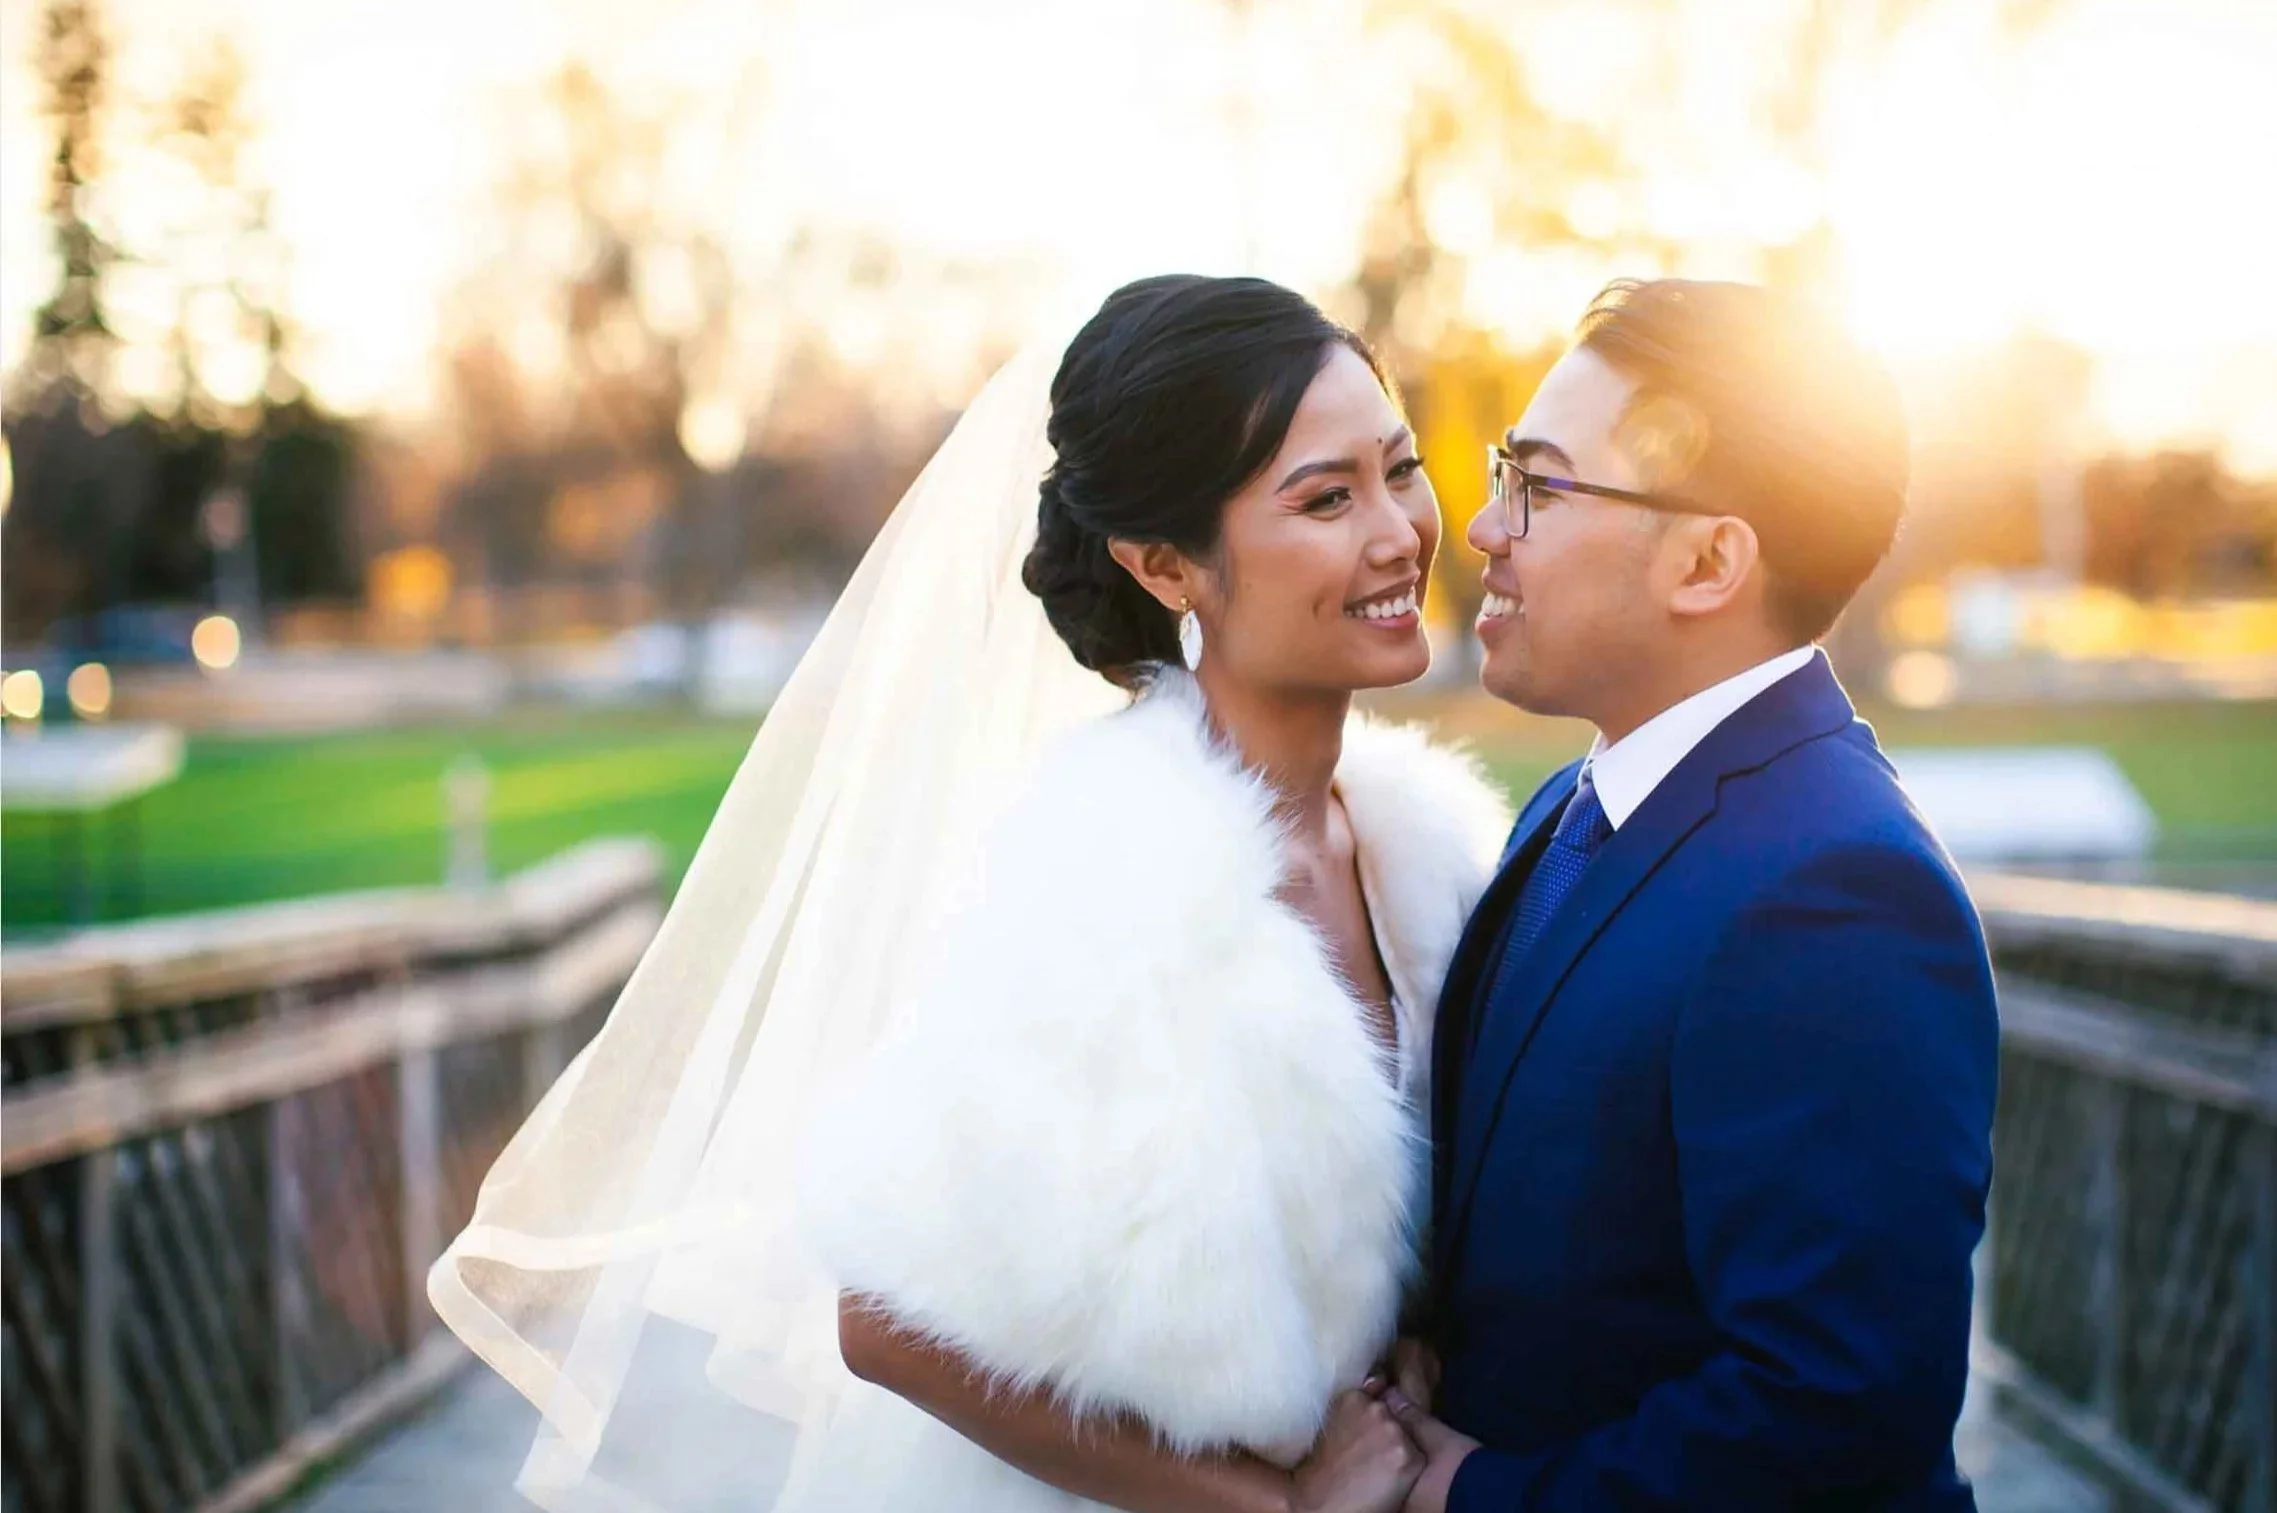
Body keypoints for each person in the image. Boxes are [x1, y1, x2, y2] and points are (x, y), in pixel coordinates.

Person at [427, 274, 1511, 1513]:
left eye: (1400, 468)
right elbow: (882, 1319)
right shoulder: (1110, 880)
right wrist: (1283, 1509)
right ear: (1166, 566)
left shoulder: (1428, 851)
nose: (1399, 533)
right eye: (1327, 498)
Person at [1382, 278, 2001, 1512]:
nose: (1486, 529)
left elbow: (1836, 1403)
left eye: (1541, 486)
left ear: (1710, 559)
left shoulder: (1837, 890)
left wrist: (1476, 1497)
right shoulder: (1574, 805)